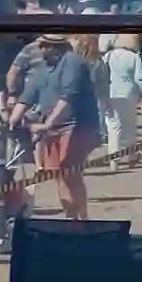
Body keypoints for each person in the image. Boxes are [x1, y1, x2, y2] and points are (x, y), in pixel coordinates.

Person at [15, 34, 101, 222]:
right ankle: (71, 217)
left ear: (56, 47)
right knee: (58, 174)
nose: (41, 49)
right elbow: (27, 97)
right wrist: (11, 122)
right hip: (54, 128)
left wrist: (48, 123)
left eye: (45, 46)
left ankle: (81, 218)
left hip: (77, 125)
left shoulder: (72, 62)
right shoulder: (44, 68)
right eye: (41, 45)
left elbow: (68, 96)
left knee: (70, 171)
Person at [99, 34, 142, 166]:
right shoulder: (133, 57)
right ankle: (130, 155)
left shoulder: (108, 56)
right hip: (128, 95)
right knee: (129, 126)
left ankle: (114, 161)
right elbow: (140, 78)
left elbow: (101, 74)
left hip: (110, 93)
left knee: (113, 127)